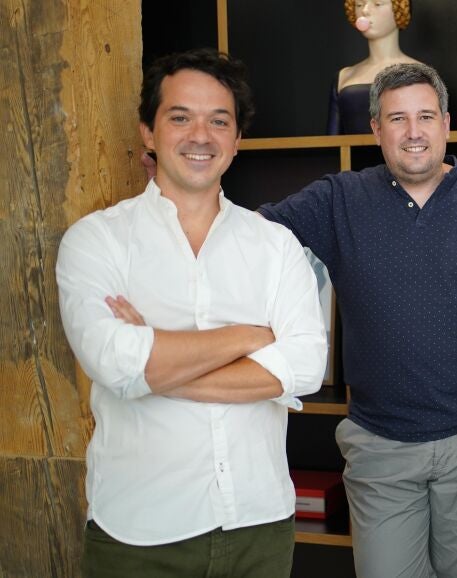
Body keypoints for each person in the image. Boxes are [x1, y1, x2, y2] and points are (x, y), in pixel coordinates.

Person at [260, 62, 457, 578]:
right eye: (397, 119)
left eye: (425, 117)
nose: (414, 132)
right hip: (380, 444)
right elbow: (249, 236)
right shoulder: (338, 199)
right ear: (376, 128)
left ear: (446, 124)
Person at [56, 48, 327, 577]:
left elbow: (304, 367)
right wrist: (248, 336)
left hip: (260, 526)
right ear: (148, 132)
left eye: (218, 121)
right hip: (140, 533)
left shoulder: (276, 246)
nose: (200, 136)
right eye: (180, 118)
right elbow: (116, 362)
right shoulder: (96, 241)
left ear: (237, 139)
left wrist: (154, 365)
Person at [328, 0, 419, 134]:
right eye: (359, 5)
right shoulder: (344, 76)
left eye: (378, 4)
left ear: (400, 9)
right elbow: (331, 141)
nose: (365, 11)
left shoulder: (422, 74)